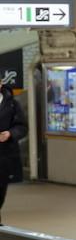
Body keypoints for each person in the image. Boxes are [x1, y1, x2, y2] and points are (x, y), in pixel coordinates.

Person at [0, 84, 27, 223]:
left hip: (4, 156)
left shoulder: (12, 104)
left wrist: (10, 133)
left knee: (1, 191)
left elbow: (22, 127)